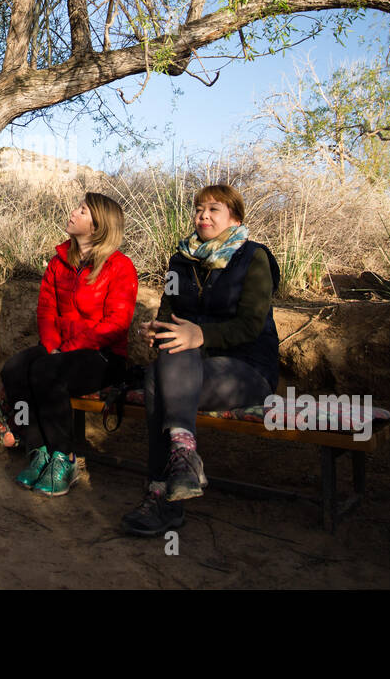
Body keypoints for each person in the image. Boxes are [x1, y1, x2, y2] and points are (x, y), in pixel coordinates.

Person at [120, 184, 281, 535]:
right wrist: (156, 329)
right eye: (198, 209)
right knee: (160, 371)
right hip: (187, 368)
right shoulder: (180, 260)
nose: (203, 216)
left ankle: (161, 494)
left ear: (235, 217)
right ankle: (182, 461)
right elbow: (170, 311)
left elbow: (251, 326)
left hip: (247, 369)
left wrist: (201, 334)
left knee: (159, 379)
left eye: (214, 209)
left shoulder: (254, 257)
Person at [0, 192, 138, 497]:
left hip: (103, 356)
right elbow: (46, 311)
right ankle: (38, 449)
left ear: (97, 226)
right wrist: (53, 344)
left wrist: (66, 349)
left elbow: (116, 324)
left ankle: (63, 458)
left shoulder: (120, 267)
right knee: (14, 368)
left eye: (82, 210)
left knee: (47, 371)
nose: (73, 212)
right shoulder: (59, 263)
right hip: (60, 348)